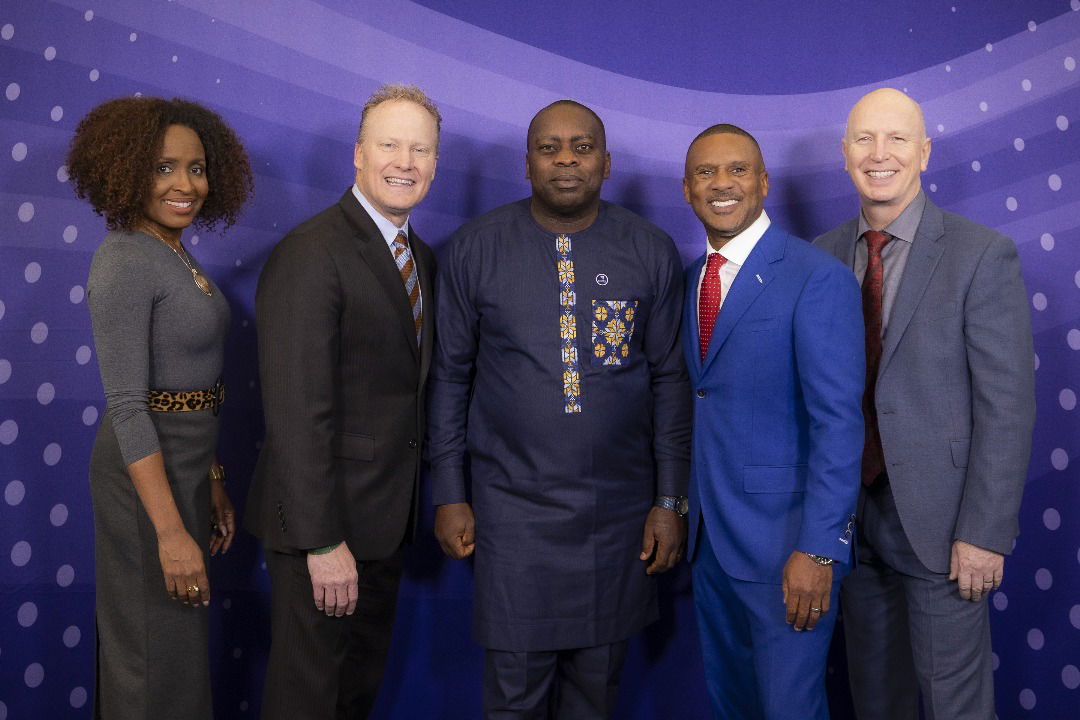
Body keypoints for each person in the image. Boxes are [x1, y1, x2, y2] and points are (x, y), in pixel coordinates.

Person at [428, 100, 691, 719]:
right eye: (549, 148)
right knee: (513, 699)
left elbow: (670, 382)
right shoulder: (475, 249)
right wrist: (449, 494)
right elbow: (449, 378)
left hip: (617, 519)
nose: (566, 160)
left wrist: (669, 500)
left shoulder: (649, 250)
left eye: (582, 147)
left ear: (606, 162)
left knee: (594, 699)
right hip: (511, 516)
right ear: (527, 164)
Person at [815, 88, 1035, 719]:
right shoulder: (820, 256)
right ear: (845, 153)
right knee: (875, 702)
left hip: (945, 529)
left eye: (897, 139)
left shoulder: (981, 254)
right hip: (850, 523)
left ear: (925, 152)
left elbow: (1007, 407)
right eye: (864, 139)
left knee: (954, 708)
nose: (879, 154)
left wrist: (983, 533)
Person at [245, 84, 440, 719]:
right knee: (308, 700)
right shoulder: (312, 252)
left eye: (420, 150)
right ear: (358, 154)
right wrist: (322, 541)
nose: (404, 162)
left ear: (435, 163)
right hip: (323, 531)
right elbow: (296, 413)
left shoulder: (420, 258)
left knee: (354, 697)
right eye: (389, 145)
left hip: (383, 523)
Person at [69, 96, 253, 718]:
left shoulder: (172, 250)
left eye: (196, 168)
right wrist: (171, 534)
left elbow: (192, 385)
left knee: (176, 645)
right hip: (143, 480)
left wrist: (213, 477)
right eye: (163, 168)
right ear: (126, 172)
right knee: (148, 651)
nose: (185, 185)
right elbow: (128, 406)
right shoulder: (124, 258)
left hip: (187, 468)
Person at [681, 124, 864, 719]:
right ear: (687, 189)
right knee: (732, 708)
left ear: (764, 182)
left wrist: (820, 549)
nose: (722, 184)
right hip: (709, 545)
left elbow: (838, 424)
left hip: (787, 548)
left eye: (737, 170)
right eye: (706, 172)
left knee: (790, 710)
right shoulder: (690, 281)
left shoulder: (816, 277)